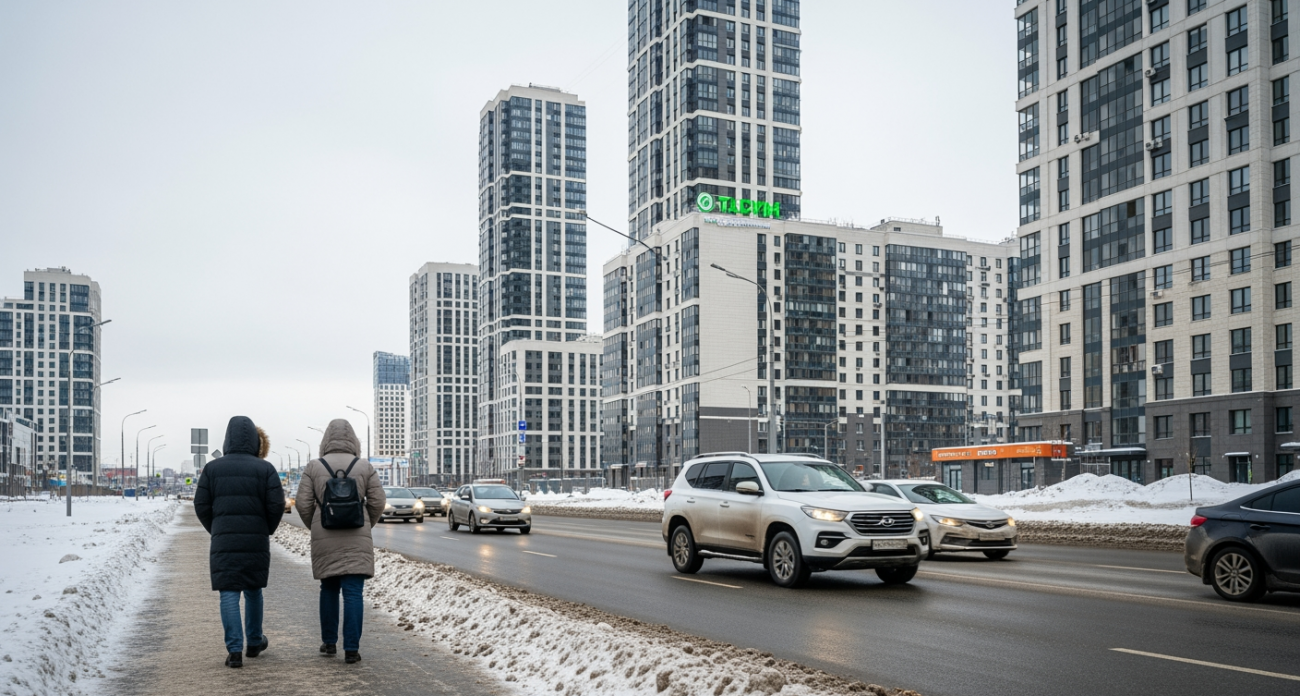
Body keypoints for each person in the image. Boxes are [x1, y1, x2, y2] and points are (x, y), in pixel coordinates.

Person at [194, 416, 284, 668]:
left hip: (223, 539)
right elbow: (276, 504)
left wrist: (216, 529)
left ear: (227, 439)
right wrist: (266, 528)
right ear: (256, 441)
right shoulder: (265, 469)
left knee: (229, 593)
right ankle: (254, 642)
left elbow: (200, 504)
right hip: (256, 539)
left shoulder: (212, 469)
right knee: (254, 590)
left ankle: (234, 651)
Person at [295, 419, 385, 664]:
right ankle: (352, 649)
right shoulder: (364, 466)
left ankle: (329, 643)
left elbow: (302, 504)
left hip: (325, 537)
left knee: (329, 589)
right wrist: (365, 523)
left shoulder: (314, 466)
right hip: (358, 539)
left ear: (325, 441)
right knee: (354, 593)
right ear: (354, 441)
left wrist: (316, 525)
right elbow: (377, 502)